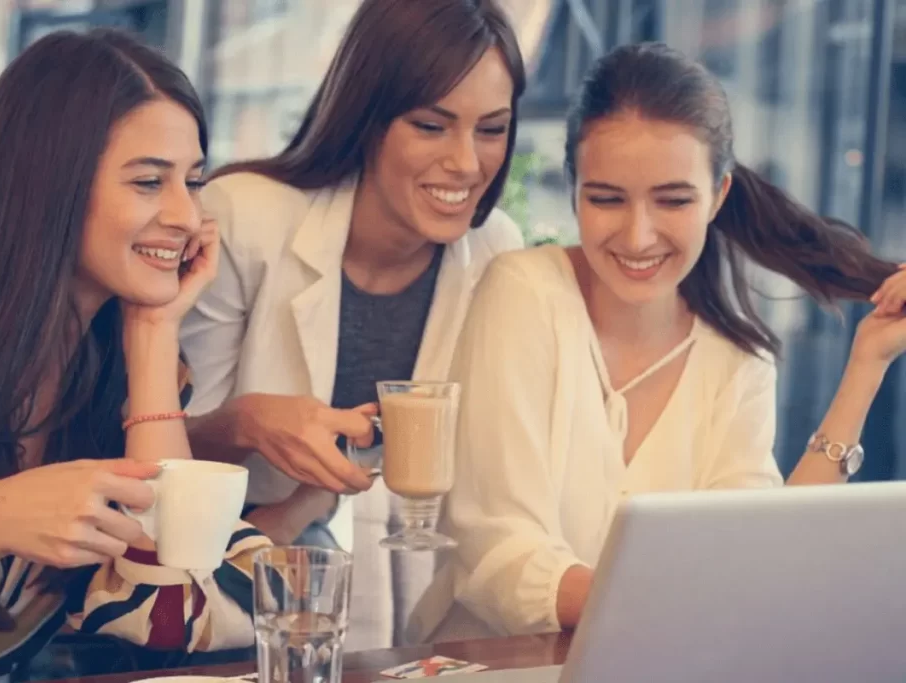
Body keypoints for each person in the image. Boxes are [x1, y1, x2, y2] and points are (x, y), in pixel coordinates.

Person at [407, 41, 906, 643]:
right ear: (574, 191)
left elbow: (760, 554)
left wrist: (868, 364)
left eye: (672, 200)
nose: (638, 236)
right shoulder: (524, 293)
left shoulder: (738, 360)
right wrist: (685, 604)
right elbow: (499, 551)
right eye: (607, 198)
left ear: (718, 195)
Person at [0, 30, 269, 682]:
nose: (186, 214)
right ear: (48, 188)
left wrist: (153, 332)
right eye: (150, 181)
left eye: (194, 181)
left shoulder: (134, 371)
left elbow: (169, 605)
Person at [180, 0, 526, 552]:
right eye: (432, 126)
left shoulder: (495, 249)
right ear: (367, 120)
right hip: (214, 547)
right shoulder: (246, 218)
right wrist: (248, 422)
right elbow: (167, 457)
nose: (466, 162)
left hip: (381, 562)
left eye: (492, 129)